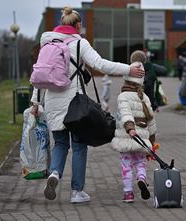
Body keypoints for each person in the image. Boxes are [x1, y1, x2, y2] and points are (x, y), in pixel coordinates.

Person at [30, 6, 144, 204]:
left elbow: (40, 76)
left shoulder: (47, 43)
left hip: (52, 102)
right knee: (79, 145)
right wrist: (129, 69)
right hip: (74, 104)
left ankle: (55, 173)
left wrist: (35, 102)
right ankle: (77, 192)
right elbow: (101, 65)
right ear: (78, 25)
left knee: (61, 143)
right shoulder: (79, 43)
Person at [111, 50, 157, 203]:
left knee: (126, 165)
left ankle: (128, 193)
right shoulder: (144, 97)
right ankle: (142, 180)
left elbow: (125, 113)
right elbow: (151, 120)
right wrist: (152, 139)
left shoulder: (123, 96)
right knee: (140, 163)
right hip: (142, 138)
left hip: (127, 136)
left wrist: (130, 127)